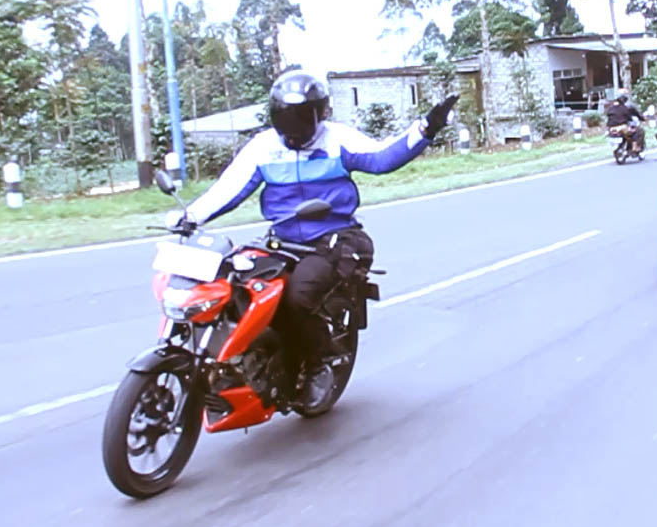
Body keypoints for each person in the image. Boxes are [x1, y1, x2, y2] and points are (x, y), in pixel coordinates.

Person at [180, 70, 459, 408]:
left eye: (301, 117)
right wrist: (190, 216)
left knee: (298, 296)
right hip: (282, 240)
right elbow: (230, 188)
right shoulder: (263, 147)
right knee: (237, 285)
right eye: (286, 118)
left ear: (319, 113)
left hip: (335, 237)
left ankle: (318, 363)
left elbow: (382, 158)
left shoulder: (337, 139)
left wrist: (426, 128)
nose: (293, 127)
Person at [605, 89, 646, 153]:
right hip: (622, 128)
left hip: (611, 129)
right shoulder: (625, 108)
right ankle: (635, 147)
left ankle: (625, 147)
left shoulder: (610, 108)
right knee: (639, 131)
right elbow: (630, 117)